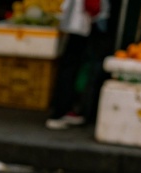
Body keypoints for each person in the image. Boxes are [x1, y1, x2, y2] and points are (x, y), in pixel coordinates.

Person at [46, 0, 111, 129]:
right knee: (72, 61)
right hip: (84, 17)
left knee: (73, 60)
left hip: (83, 17)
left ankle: (65, 109)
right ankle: (60, 111)